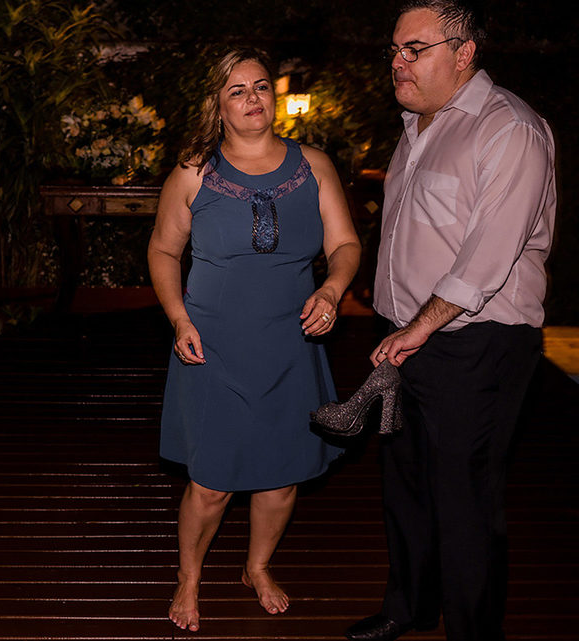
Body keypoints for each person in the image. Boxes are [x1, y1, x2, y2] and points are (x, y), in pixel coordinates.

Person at [347, 3, 556, 641]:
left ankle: (472, 632)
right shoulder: (416, 124)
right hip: (406, 335)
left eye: (415, 50)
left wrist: (421, 326)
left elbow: (487, 255)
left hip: (476, 343)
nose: (398, 62)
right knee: (406, 482)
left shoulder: (509, 128)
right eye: (394, 49)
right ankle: (409, 607)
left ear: (464, 53)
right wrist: (394, 319)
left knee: (465, 497)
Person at [148, 48, 361, 632]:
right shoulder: (194, 172)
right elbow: (163, 250)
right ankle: (189, 577)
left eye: (261, 86)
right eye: (237, 90)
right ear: (217, 104)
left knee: (282, 477)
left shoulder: (313, 165)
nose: (252, 99)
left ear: (275, 96)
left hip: (292, 342)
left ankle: (257, 567)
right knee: (211, 483)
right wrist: (178, 319)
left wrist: (332, 290)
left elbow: (345, 244)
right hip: (211, 344)